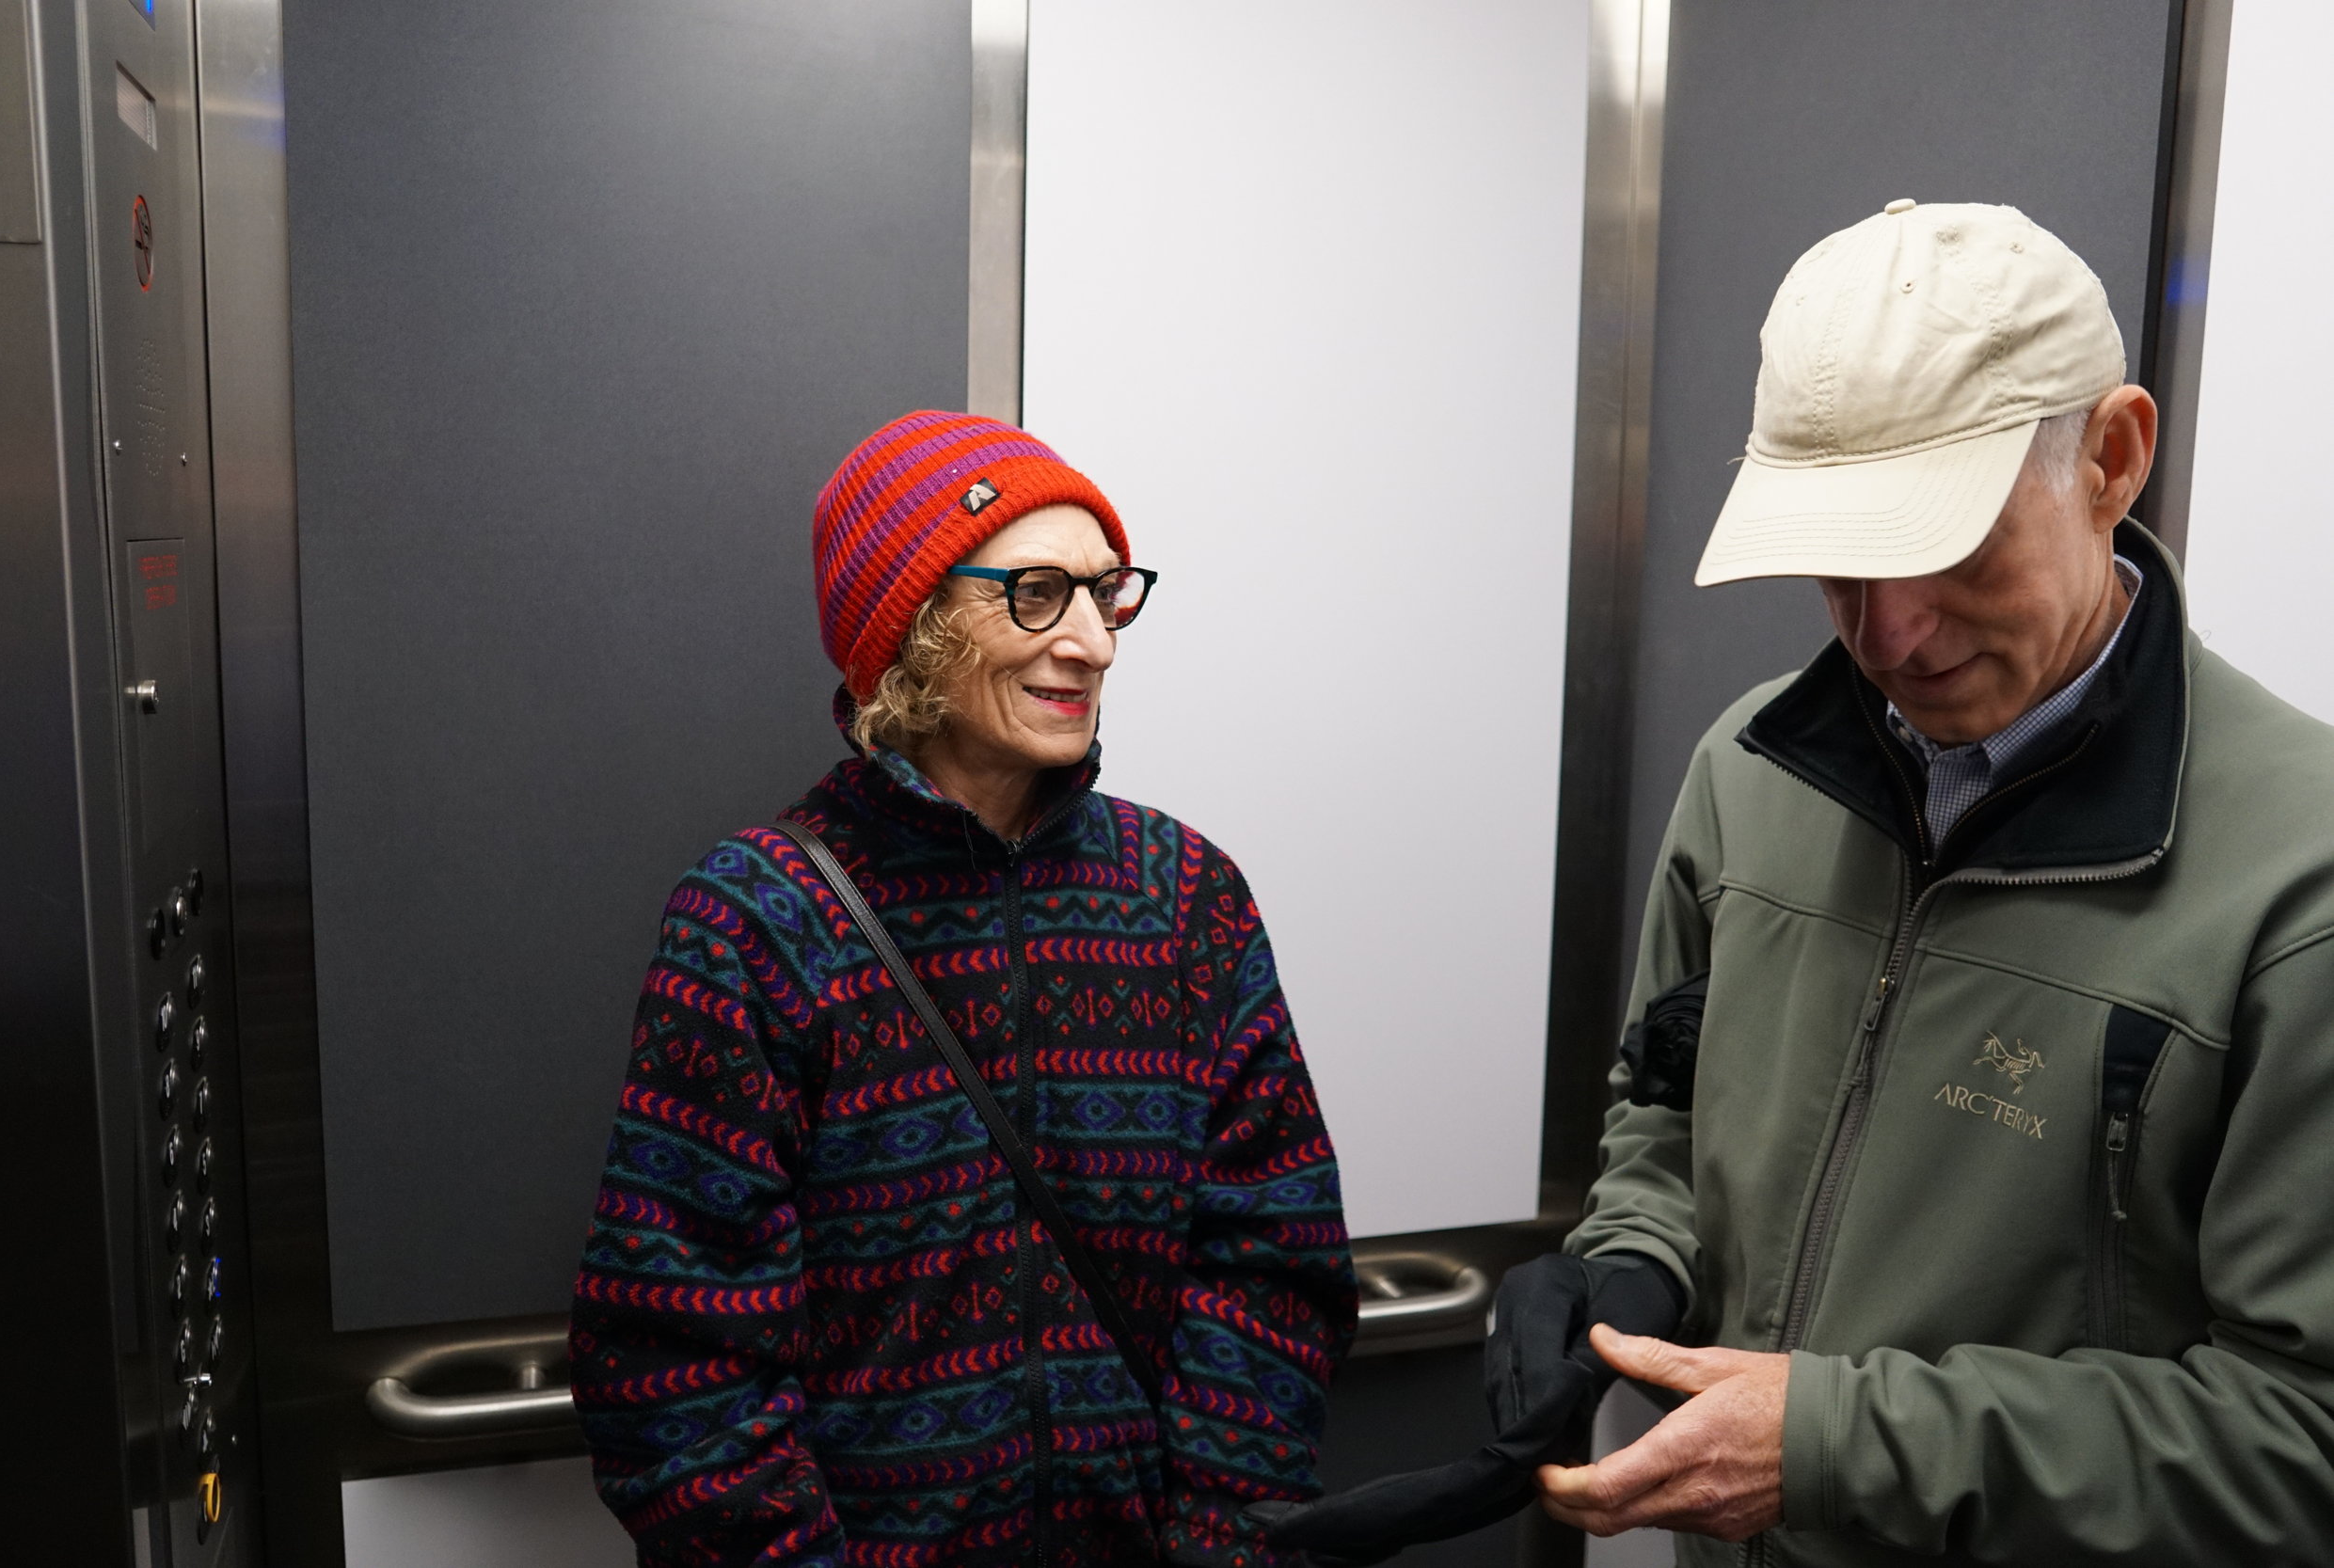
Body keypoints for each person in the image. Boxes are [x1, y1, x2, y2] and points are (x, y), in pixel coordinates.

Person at [1260, 201, 2334, 1565]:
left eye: (1949, 546)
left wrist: (1834, 1439)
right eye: (1838, 561)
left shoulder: (2301, 884)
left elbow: (2306, 1437)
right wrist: (1625, 1268)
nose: (1890, 630)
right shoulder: (1753, 776)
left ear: (2112, 456)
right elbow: (1664, 1116)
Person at [570, 411, 1358, 1567]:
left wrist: (1218, 1541)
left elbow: (1272, 1262)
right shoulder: (758, 918)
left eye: (1106, 592)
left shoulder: (1186, 897)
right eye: (1035, 592)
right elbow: (673, 1353)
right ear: (914, 625)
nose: (1091, 641)